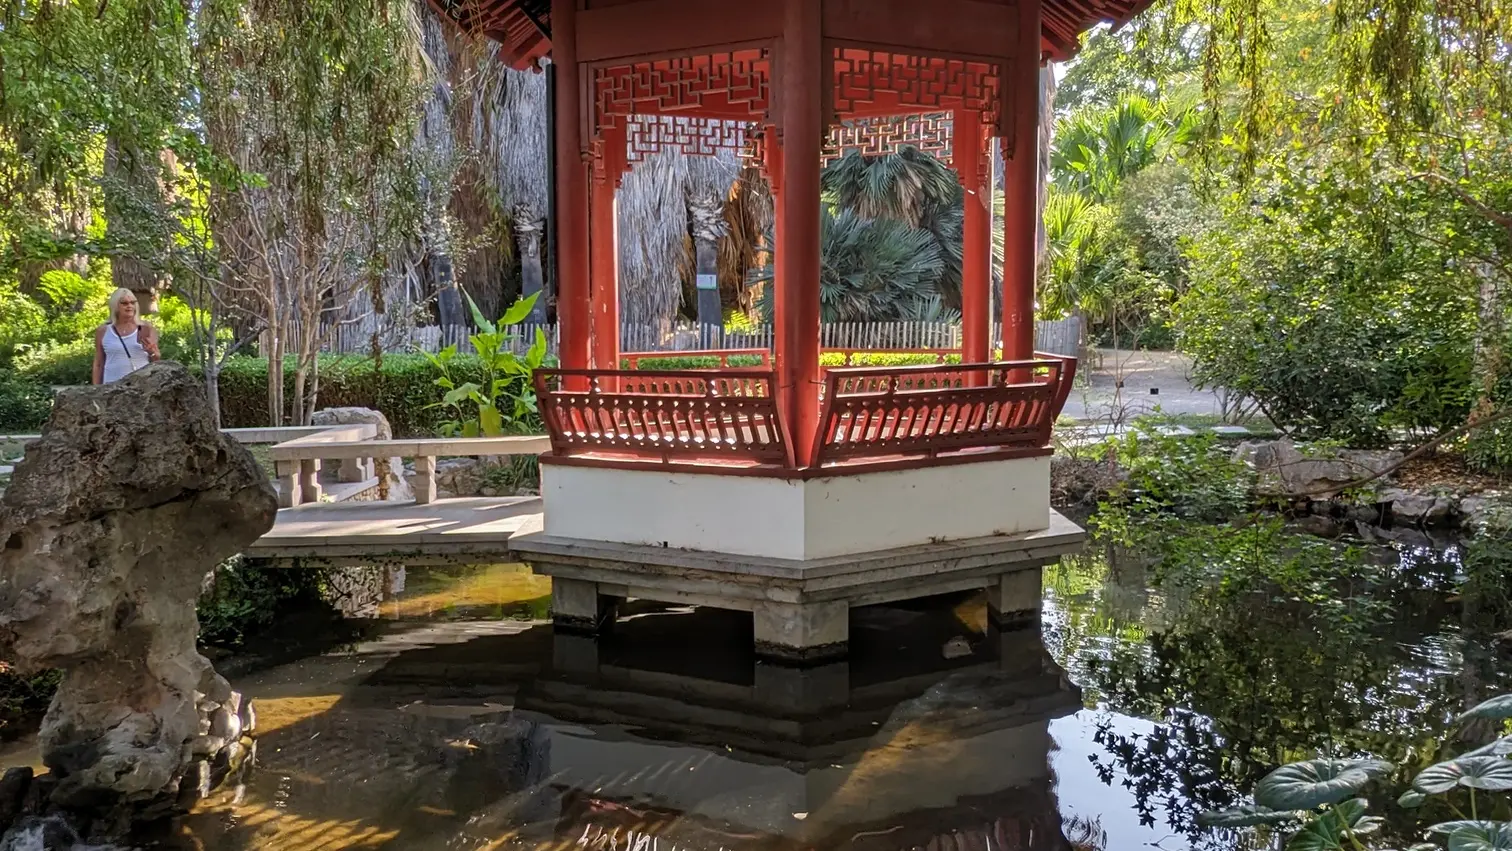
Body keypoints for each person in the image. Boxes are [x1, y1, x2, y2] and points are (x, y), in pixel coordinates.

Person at [93, 288, 161, 384]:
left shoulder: (146, 328)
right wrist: (96, 389)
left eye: (132, 303)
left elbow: (156, 360)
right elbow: (98, 363)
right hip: (111, 386)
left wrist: (153, 353)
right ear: (115, 305)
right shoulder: (103, 331)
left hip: (140, 386)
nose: (129, 306)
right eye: (124, 303)